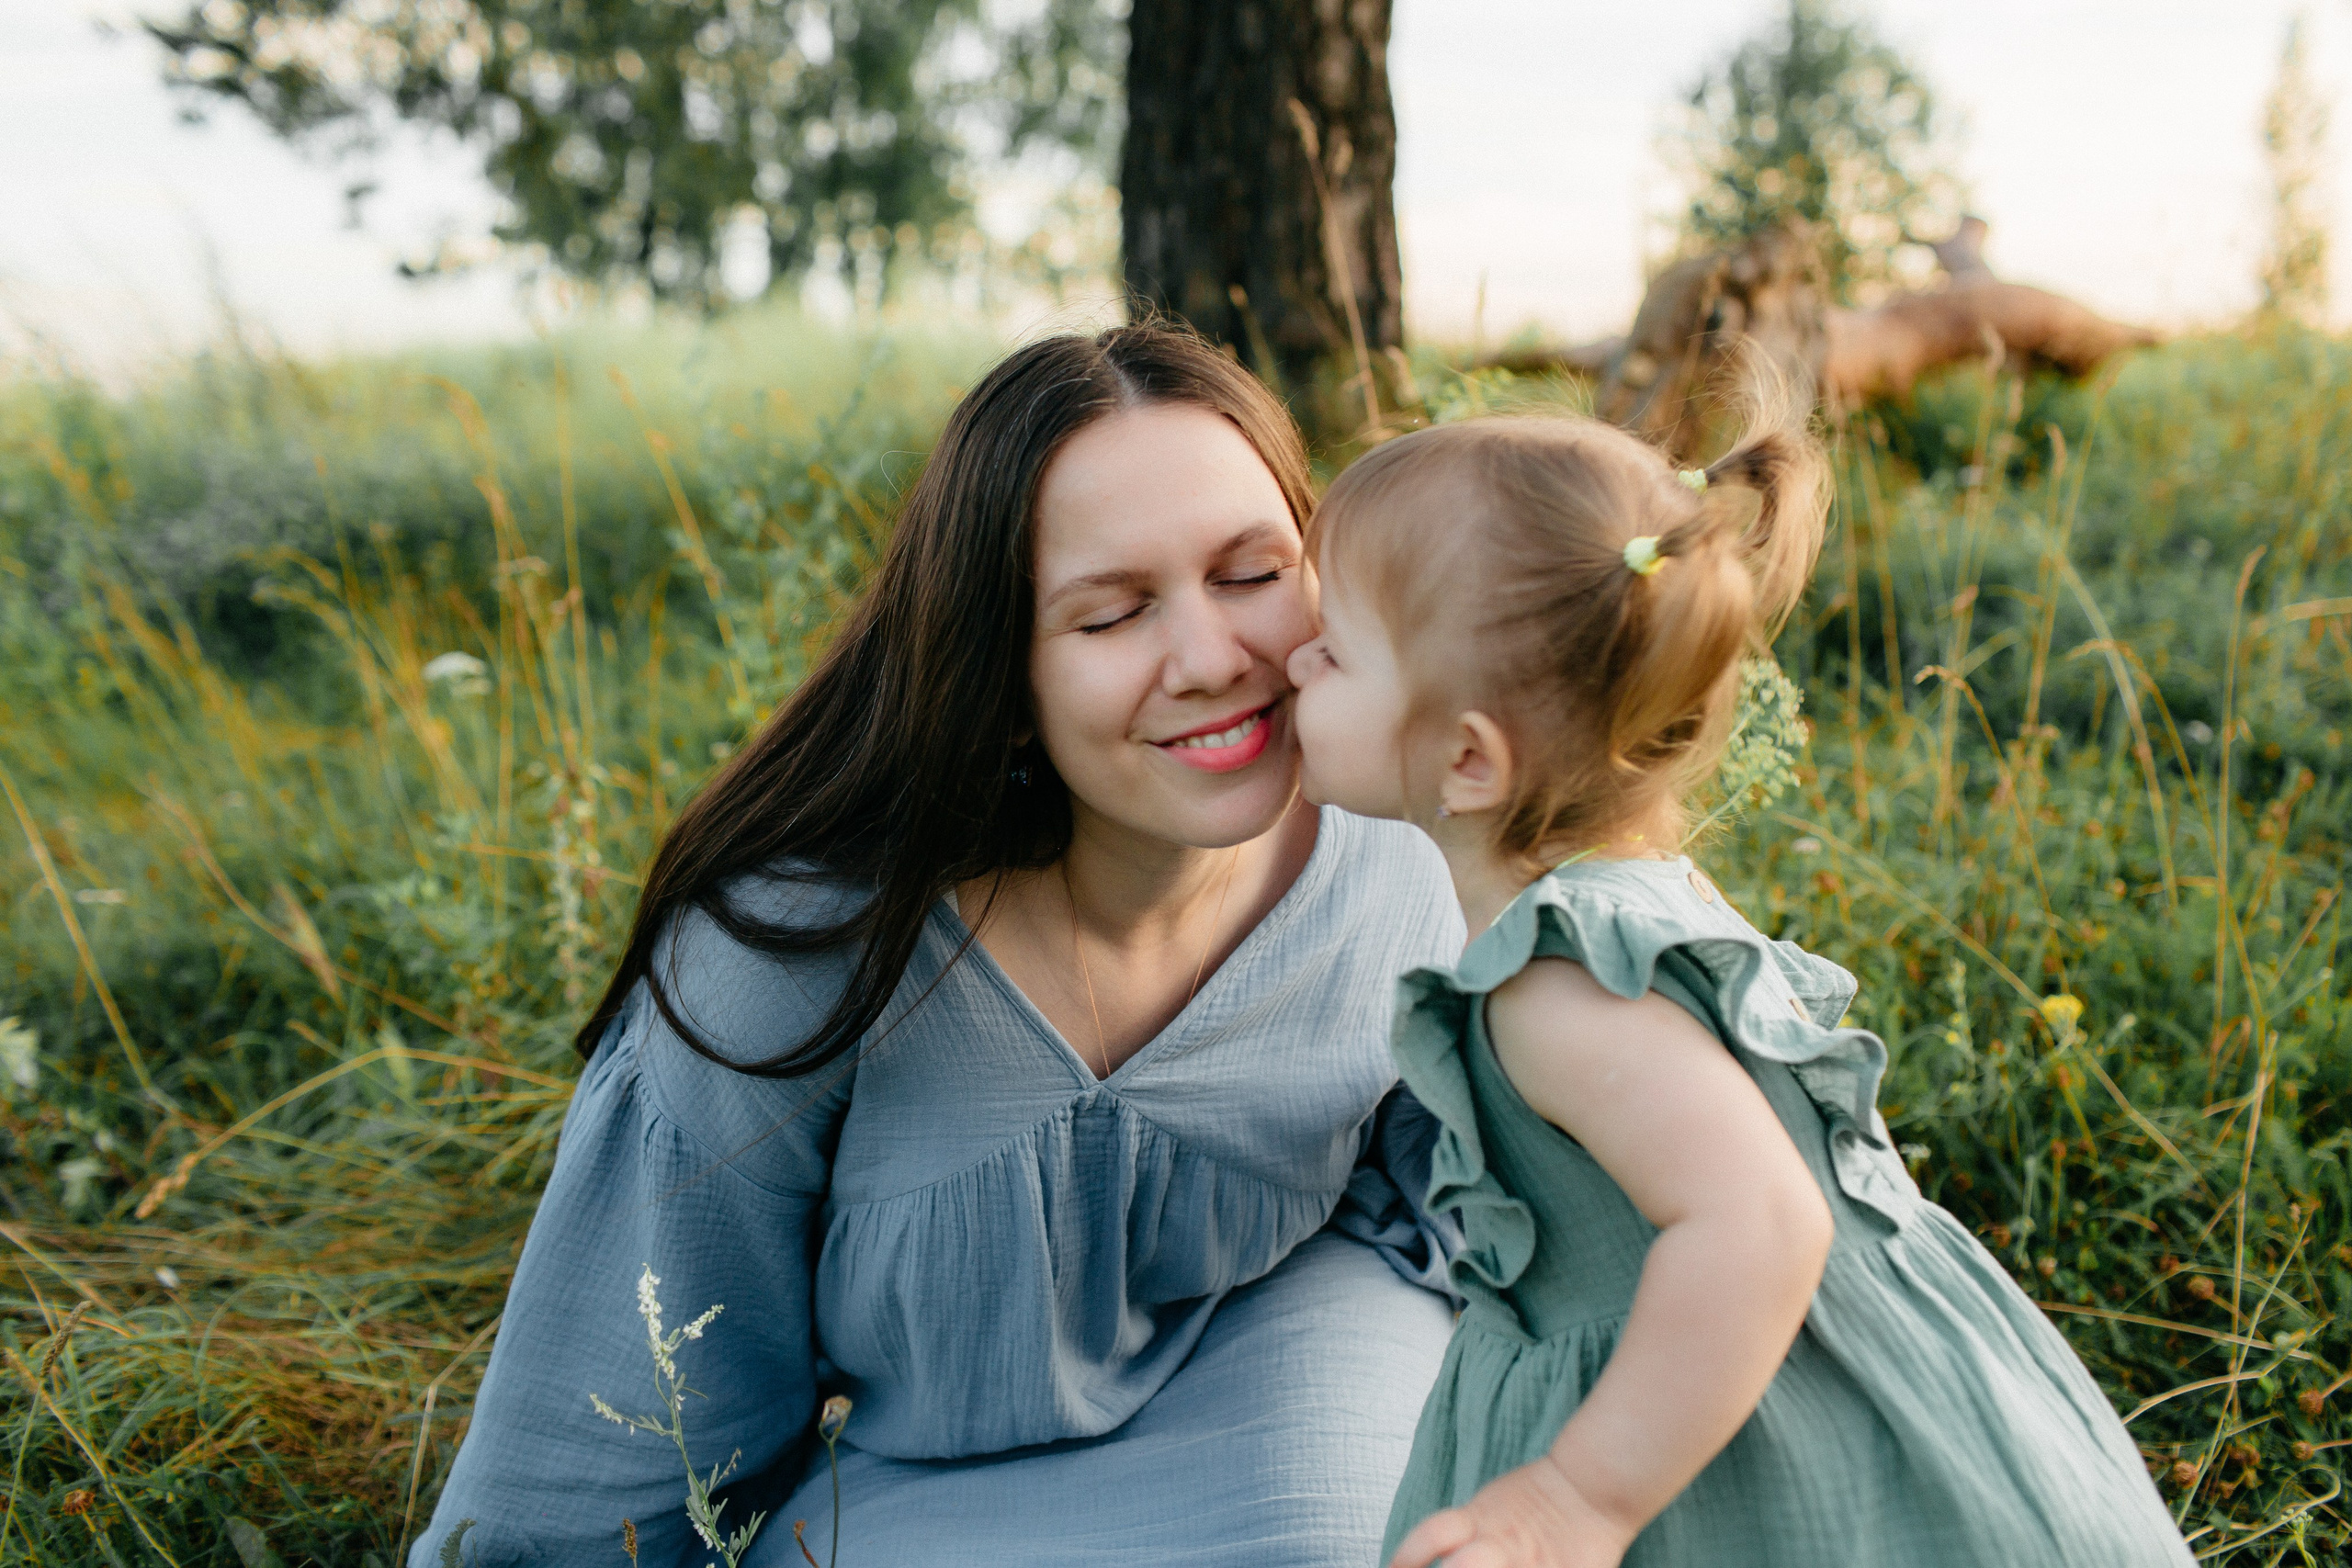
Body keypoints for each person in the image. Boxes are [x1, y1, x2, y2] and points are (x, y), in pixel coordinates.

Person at [409, 324, 1464, 1567]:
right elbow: (622, 1438)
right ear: (1001, 667)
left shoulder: (1406, 850)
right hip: (935, 1487)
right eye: (1113, 612)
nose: (1212, 659)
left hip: (1301, 1388)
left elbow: (1496, 1207)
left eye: (1250, 574)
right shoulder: (799, 952)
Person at [1283, 400, 2197, 1568]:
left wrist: (1578, 1497)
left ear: (1468, 759)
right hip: (1765, 1373)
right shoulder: (1625, 891)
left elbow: (1761, 1222)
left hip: (1766, 1438)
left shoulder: (1555, 988)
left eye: (1337, 649)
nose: (1295, 656)